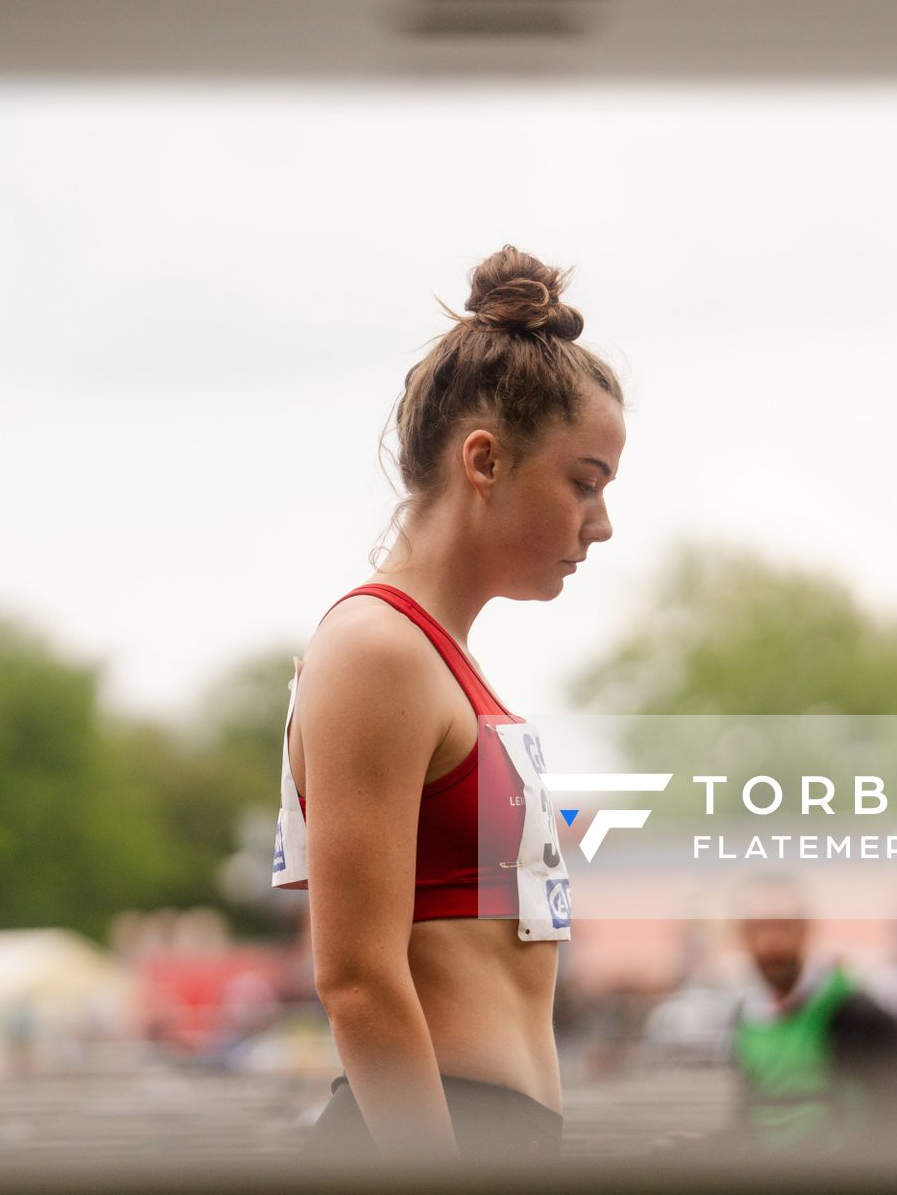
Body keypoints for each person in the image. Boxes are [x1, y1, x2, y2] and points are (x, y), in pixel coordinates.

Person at [271, 245, 626, 1162]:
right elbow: (355, 978)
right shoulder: (376, 650)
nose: (602, 522)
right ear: (484, 461)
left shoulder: (441, 663)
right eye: (583, 482)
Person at [716, 883, 897, 1159]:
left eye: (782, 928)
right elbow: (752, 1111)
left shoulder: (852, 1012)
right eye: (759, 930)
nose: (771, 944)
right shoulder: (747, 1018)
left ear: (804, 932)